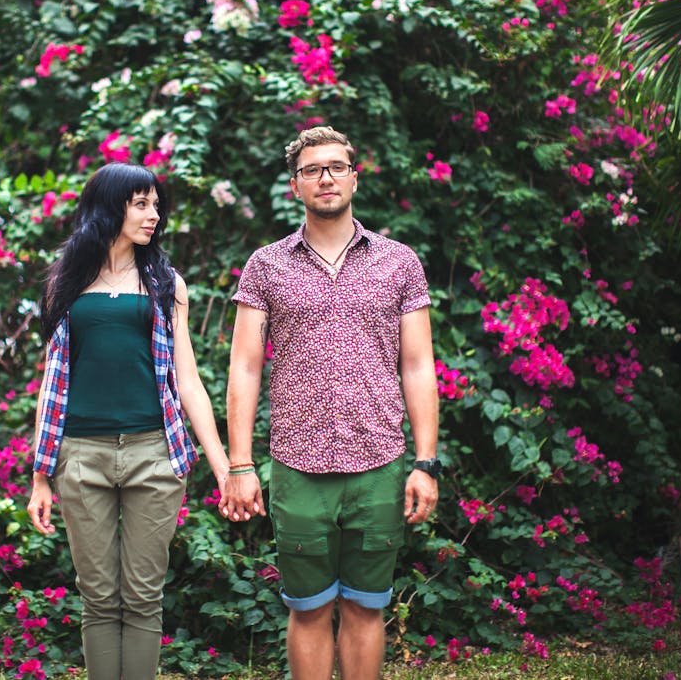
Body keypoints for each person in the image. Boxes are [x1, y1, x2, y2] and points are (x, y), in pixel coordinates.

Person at [221, 126, 440, 680]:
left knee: (367, 607)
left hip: (380, 462)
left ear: (354, 177)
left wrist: (425, 462)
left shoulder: (399, 262)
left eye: (337, 166)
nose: (326, 177)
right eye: (313, 169)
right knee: (309, 608)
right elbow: (245, 368)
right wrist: (240, 465)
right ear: (295, 186)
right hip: (298, 464)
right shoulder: (267, 264)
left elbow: (417, 366)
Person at [26, 162, 229, 680]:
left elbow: (187, 380)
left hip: (154, 455)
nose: (153, 215)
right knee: (97, 598)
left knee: (142, 598)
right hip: (81, 456)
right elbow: (53, 385)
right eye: (141, 203)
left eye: (156, 204)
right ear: (108, 208)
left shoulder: (166, 284)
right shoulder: (65, 284)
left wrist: (224, 465)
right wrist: (40, 475)